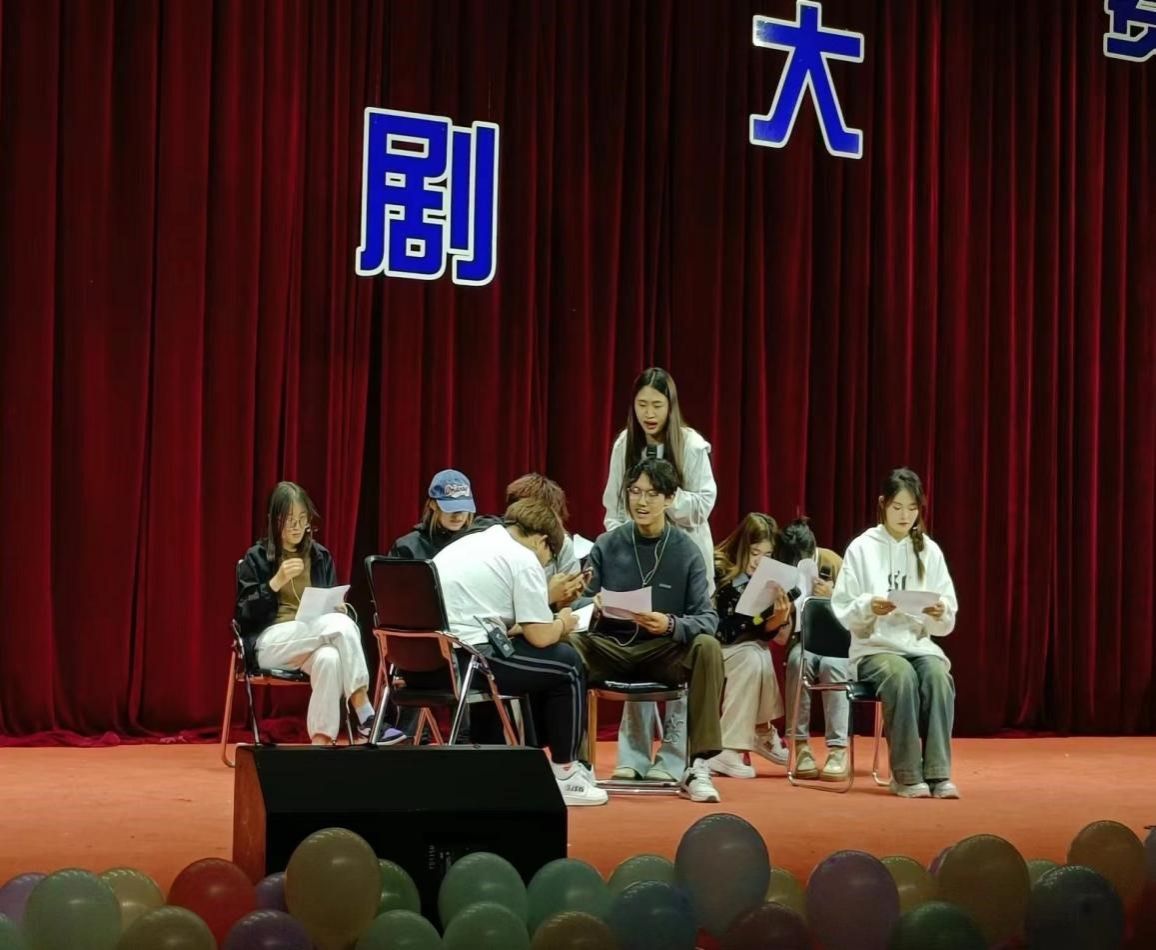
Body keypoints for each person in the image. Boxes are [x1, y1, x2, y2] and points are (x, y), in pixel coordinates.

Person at [430, 498, 608, 807]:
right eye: (550, 556)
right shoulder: (523, 557)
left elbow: (490, 619)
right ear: (542, 541)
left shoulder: (470, 543)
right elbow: (540, 636)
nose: (545, 564)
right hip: (469, 662)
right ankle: (567, 774)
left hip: (425, 663)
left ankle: (497, 767)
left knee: (529, 660)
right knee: (567, 664)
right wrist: (563, 622)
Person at [575, 458, 725, 803]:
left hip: (662, 652)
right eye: (635, 492)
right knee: (568, 646)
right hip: (611, 647)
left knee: (707, 646)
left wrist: (671, 624)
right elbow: (578, 603)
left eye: (652, 494)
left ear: (670, 499)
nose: (641, 502)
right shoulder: (607, 544)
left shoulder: (687, 551)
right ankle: (575, 763)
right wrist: (592, 604)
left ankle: (698, 765)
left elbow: (707, 618)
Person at [601, 368, 717, 782]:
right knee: (635, 648)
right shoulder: (625, 444)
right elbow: (613, 507)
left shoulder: (691, 444)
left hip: (682, 560)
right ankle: (633, 754)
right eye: (642, 405)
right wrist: (625, 542)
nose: (649, 414)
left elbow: (704, 504)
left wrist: (661, 498)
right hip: (634, 560)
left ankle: (672, 756)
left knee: (679, 652)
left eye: (657, 405)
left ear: (671, 407)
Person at [235, 482, 404, 745]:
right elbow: (244, 615)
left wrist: (339, 608)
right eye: (289, 520)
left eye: (303, 519)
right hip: (270, 644)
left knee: (330, 658)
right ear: (274, 520)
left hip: (313, 639)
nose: (297, 527)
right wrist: (274, 583)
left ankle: (320, 743)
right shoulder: (256, 557)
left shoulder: (320, 556)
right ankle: (366, 714)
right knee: (338, 625)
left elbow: (330, 603)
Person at [832, 468, 960, 799]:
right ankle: (906, 775)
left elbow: (947, 615)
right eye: (898, 507)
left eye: (912, 508)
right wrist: (869, 606)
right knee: (900, 675)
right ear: (883, 505)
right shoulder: (862, 548)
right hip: (874, 648)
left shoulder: (929, 550)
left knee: (938, 676)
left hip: (917, 645)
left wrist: (939, 612)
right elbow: (843, 606)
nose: (905, 516)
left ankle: (938, 773)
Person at [705, 514, 792, 779]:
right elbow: (722, 628)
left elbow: (766, 634)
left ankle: (744, 741)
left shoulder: (767, 577)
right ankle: (756, 733)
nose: (759, 561)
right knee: (753, 654)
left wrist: (779, 617)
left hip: (741, 647)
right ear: (743, 547)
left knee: (758, 651)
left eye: (767, 555)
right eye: (755, 553)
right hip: (711, 644)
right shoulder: (719, 568)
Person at [776, 518, 850, 781]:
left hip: (838, 643)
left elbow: (857, 611)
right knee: (798, 662)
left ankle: (838, 749)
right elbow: (781, 638)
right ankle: (800, 747)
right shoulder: (782, 569)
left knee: (833, 666)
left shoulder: (834, 562)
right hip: (802, 641)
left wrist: (833, 596)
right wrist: (781, 611)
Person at [504, 473, 586, 608]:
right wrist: (548, 595)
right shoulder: (497, 542)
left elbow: (567, 603)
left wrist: (566, 599)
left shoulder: (563, 543)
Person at [388, 469, 493, 559]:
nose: (458, 516)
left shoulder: (480, 542)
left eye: (463, 509)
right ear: (433, 505)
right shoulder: (407, 548)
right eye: (451, 509)